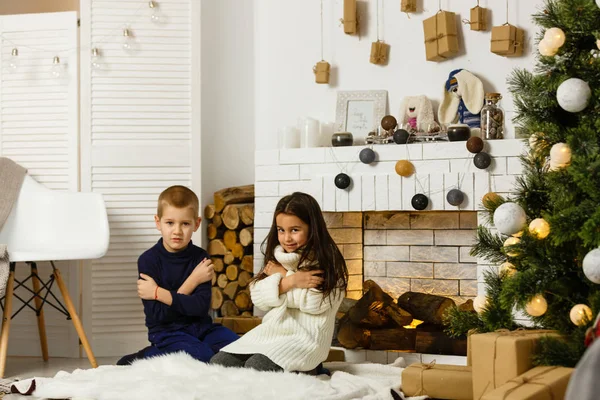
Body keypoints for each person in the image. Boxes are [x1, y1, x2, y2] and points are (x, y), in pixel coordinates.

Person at [210, 192, 348, 374]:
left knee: (257, 367)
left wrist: (281, 278)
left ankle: (310, 370)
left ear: (312, 228)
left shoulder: (327, 261)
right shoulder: (278, 257)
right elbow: (258, 297)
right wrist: (292, 281)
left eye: (295, 230)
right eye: (281, 230)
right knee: (219, 363)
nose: (286, 238)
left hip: (305, 339)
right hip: (273, 332)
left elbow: (314, 304)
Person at [116, 185, 238, 365]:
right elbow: (159, 315)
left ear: (196, 224)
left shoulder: (200, 257)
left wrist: (157, 293)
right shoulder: (148, 260)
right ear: (158, 223)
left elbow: (200, 307)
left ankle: (181, 350)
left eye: (185, 224)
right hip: (167, 331)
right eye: (170, 223)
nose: (177, 231)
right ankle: (148, 356)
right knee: (203, 357)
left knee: (240, 348)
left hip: (201, 327)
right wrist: (193, 280)